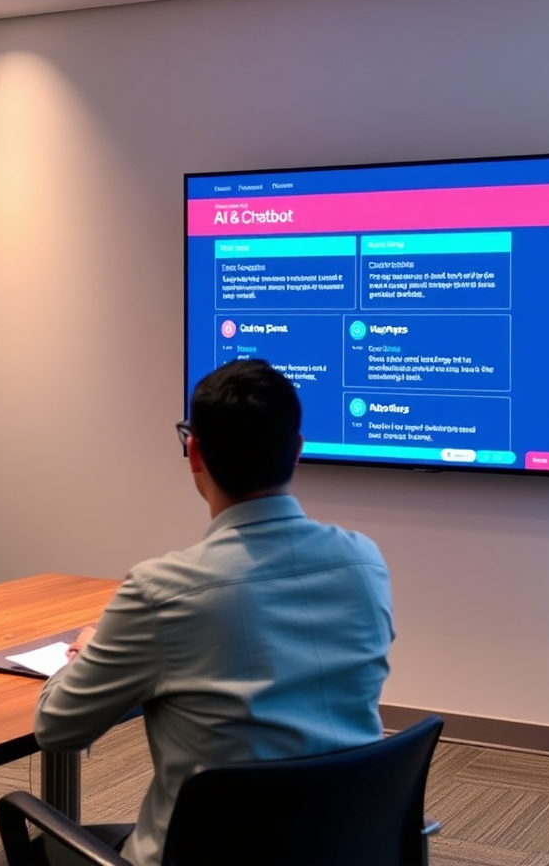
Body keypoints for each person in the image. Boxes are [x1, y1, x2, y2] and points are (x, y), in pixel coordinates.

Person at [35, 358, 394, 866]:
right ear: (296, 450)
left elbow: (57, 727)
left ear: (194, 451)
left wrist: (85, 650)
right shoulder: (364, 563)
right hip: (339, 845)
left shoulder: (163, 592)